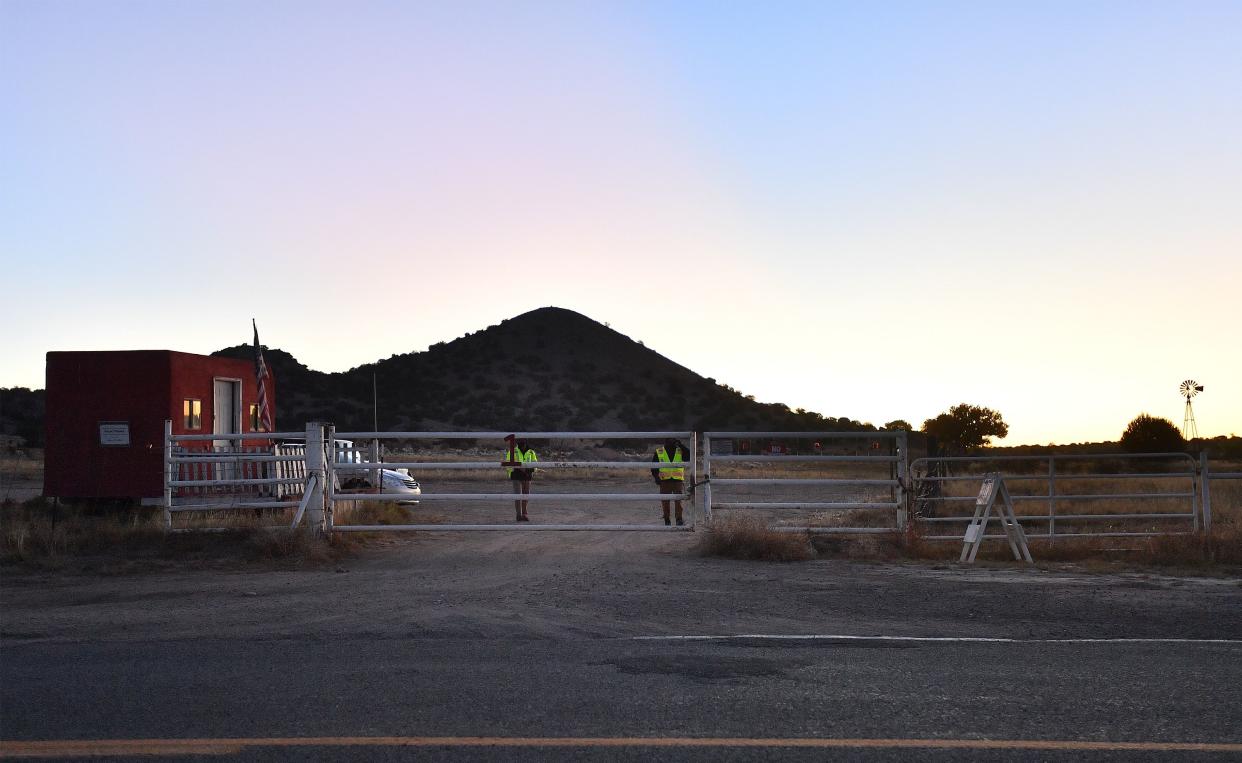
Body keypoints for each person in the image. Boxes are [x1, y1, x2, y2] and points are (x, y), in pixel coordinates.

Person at [651, 438, 687, 526]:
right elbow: (654, 467)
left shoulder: (680, 450)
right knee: (665, 501)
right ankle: (667, 520)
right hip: (664, 480)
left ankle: (679, 519)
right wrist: (656, 477)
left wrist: (681, 446)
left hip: (677, 480)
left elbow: (688, 457)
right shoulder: (659, 451)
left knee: (678, 501)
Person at [504, 438, 538, 522]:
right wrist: (519, 467)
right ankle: (518, 515)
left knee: (526, 494)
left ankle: (524, 514)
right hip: (516, 474)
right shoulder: (512, 451)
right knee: (518, 495)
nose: (521, 444)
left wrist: (529, 470)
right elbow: (508, 464)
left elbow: (535, 464)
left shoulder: (531, 452)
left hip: (527, 474)